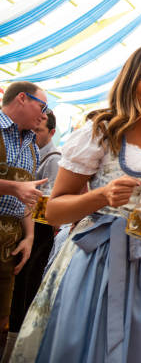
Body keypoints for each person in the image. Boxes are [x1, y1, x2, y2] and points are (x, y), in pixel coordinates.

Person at [9, 45, 141, 363]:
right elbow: (52, 210)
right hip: (96, 262)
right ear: (128, 81)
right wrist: (101, 196)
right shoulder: (101, 132)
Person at [3, 111, 60, 361]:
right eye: (34, 128)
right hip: (28, 227)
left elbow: (42, 204)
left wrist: (29, 235)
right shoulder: (26, 147)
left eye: (40, 129)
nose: (35, 132)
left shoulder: (47, 155)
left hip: (33, 230)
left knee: (17, 295)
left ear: (51, 133)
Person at [0, 81, 48, 359]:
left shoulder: (33, 147)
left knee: (2, 317)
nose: (43, 115)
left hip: (11, 245)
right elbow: (20, 190)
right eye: (42, 107)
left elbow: (28, 199)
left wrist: (29, 237)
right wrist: (13, 187)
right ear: (21, 98)